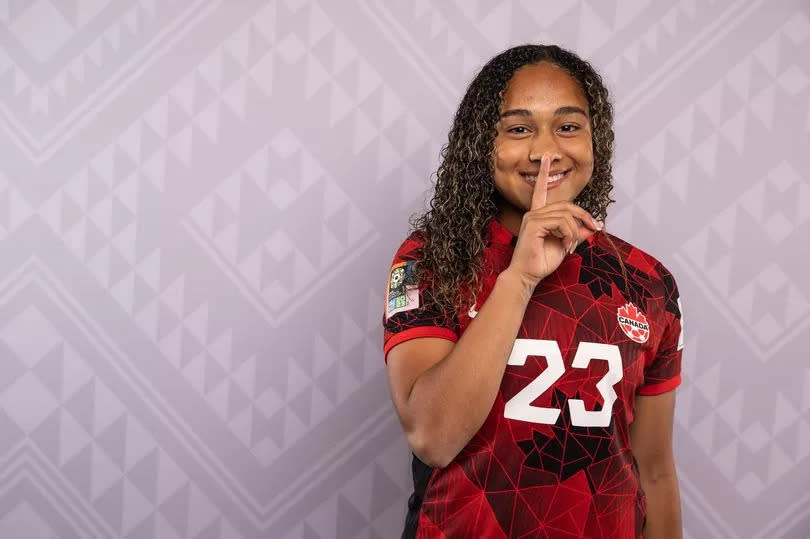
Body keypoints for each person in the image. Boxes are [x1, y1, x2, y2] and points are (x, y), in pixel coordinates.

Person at [381, 44, 684, 538]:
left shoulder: (647, 281)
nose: (546, 151)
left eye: (568, 126)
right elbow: (432, 436)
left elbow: (654, 471)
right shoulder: (428, 259)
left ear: (595, 140)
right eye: (518, 128)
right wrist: (519, 277)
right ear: (483, 142)